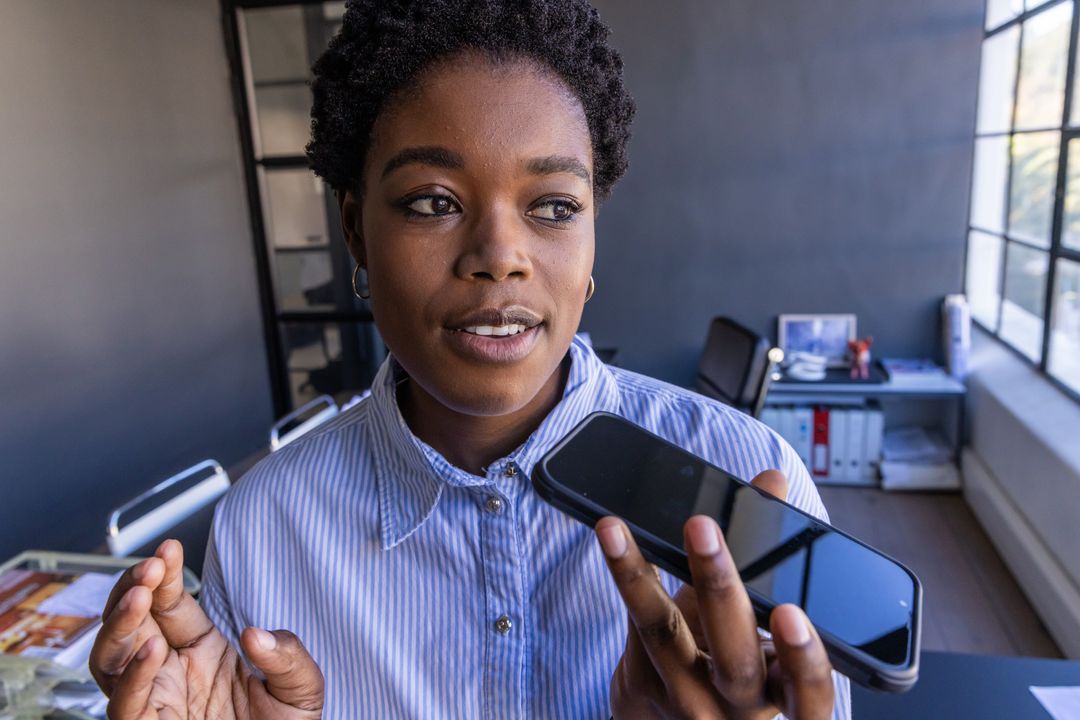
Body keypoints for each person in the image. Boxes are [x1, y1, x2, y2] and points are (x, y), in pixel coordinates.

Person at [89, 0, 850, 717]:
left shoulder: (745, 477)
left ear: (591, 240)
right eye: (433, 202)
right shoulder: (268, 525)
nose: (499, 257)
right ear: (356, 232)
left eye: (553, 206)